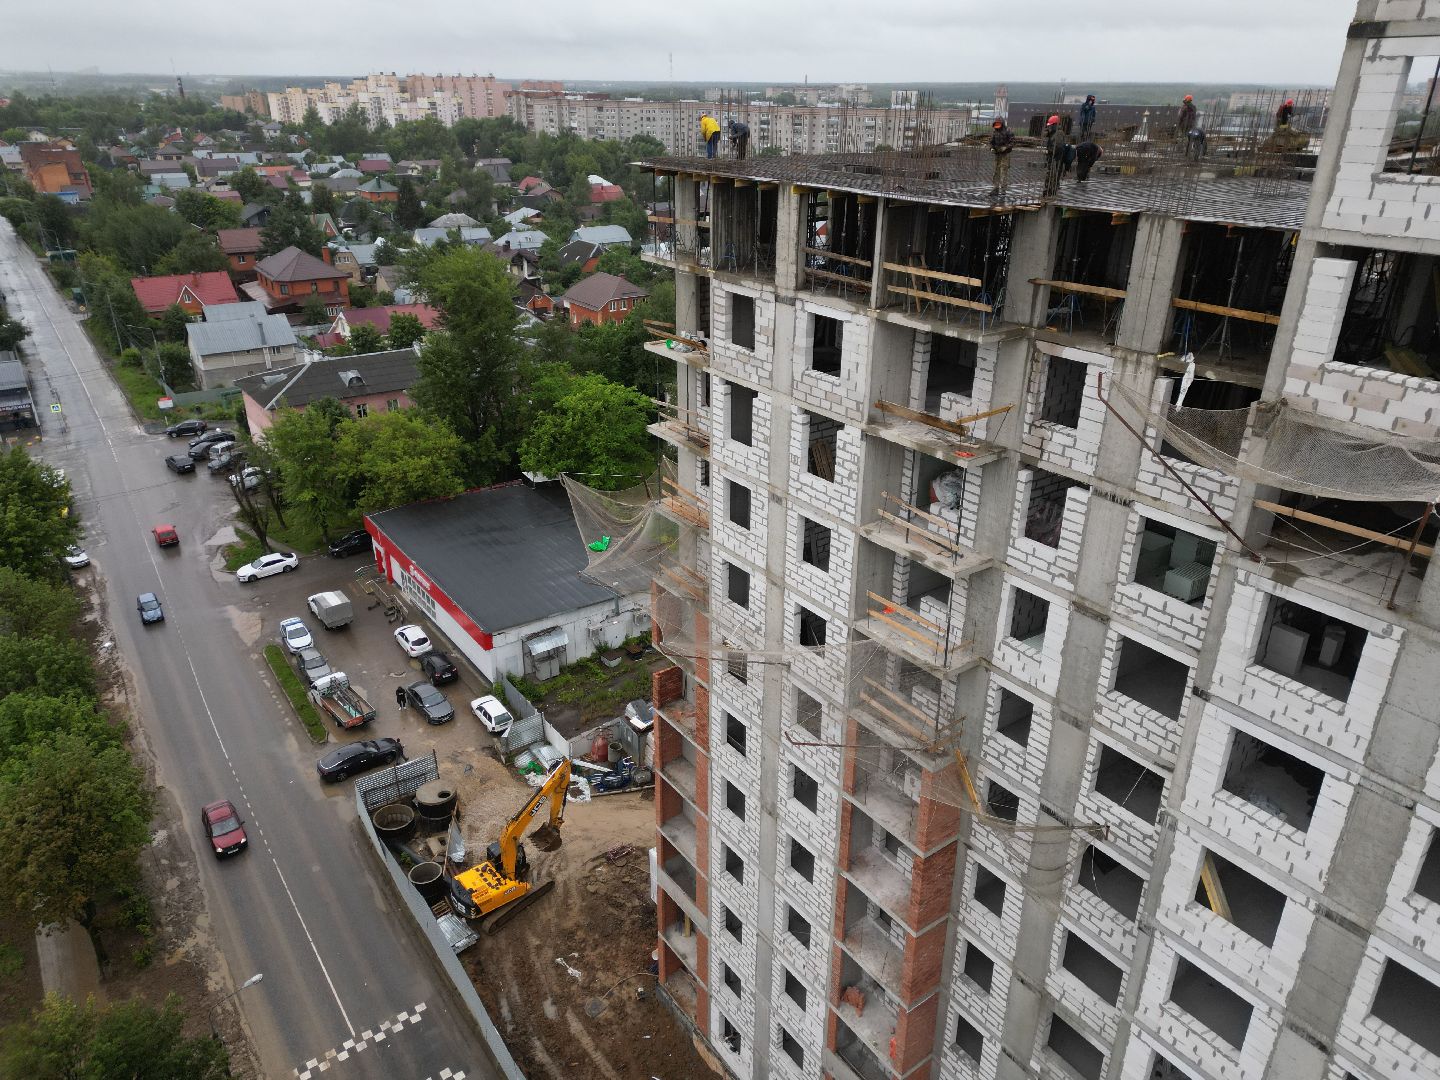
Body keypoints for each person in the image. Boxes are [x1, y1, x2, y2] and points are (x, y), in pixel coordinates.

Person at [989, 118, 1014, 195]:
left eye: (998, 124)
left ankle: (1003, 189)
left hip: (1005, 155)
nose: (997, 126)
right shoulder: (995, 132)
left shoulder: (1008, 131)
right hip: (997, 154)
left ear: (1002, 124)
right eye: (996, 124)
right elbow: (991, 142)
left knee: (1003, 171)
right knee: (996, 171)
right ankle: (995, 188)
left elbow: (1012, 142)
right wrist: (991, 148)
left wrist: (1006, 147)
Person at [1043, 114, 1065, 196]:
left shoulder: (1058, 134)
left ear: (1055, 125)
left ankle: (1050, 190)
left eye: (1050, 126)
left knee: (1052, 175)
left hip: (1055, 159)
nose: (1049, 127)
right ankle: (1049, 189)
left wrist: (1049, 151)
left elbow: (1057, 147)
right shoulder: (1054, 133)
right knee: (1050, 174)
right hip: (1052, 158)